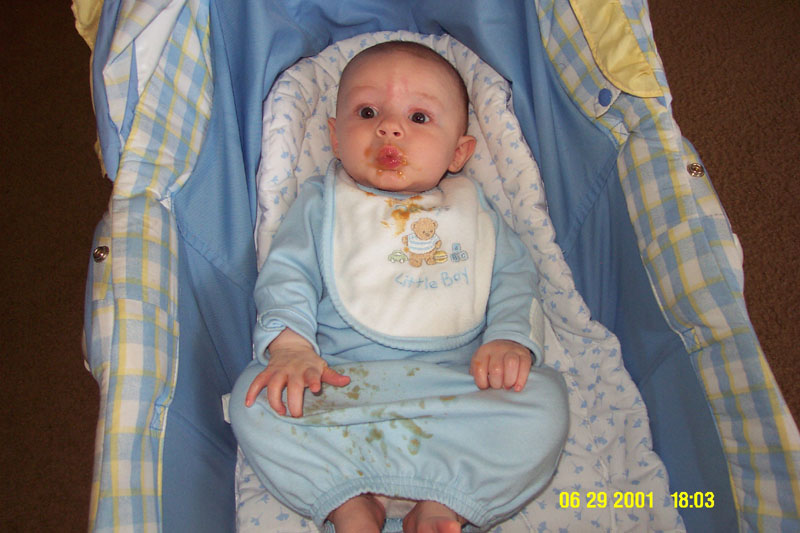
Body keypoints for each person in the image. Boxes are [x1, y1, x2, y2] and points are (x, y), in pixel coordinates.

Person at [230, 41, 569, 533]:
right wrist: (291, 348)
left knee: (544, 401)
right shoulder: (323, 205)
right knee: (255, 396)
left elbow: (515, 279)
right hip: (342, 386)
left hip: (455, 392)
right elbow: (287, 274)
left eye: (419, 117)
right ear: (335, 137)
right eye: (368, 112)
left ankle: (443, 503)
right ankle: (352, 502)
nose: (389, 127)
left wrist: (508, 339)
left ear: (459, 152)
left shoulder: (473, 213)